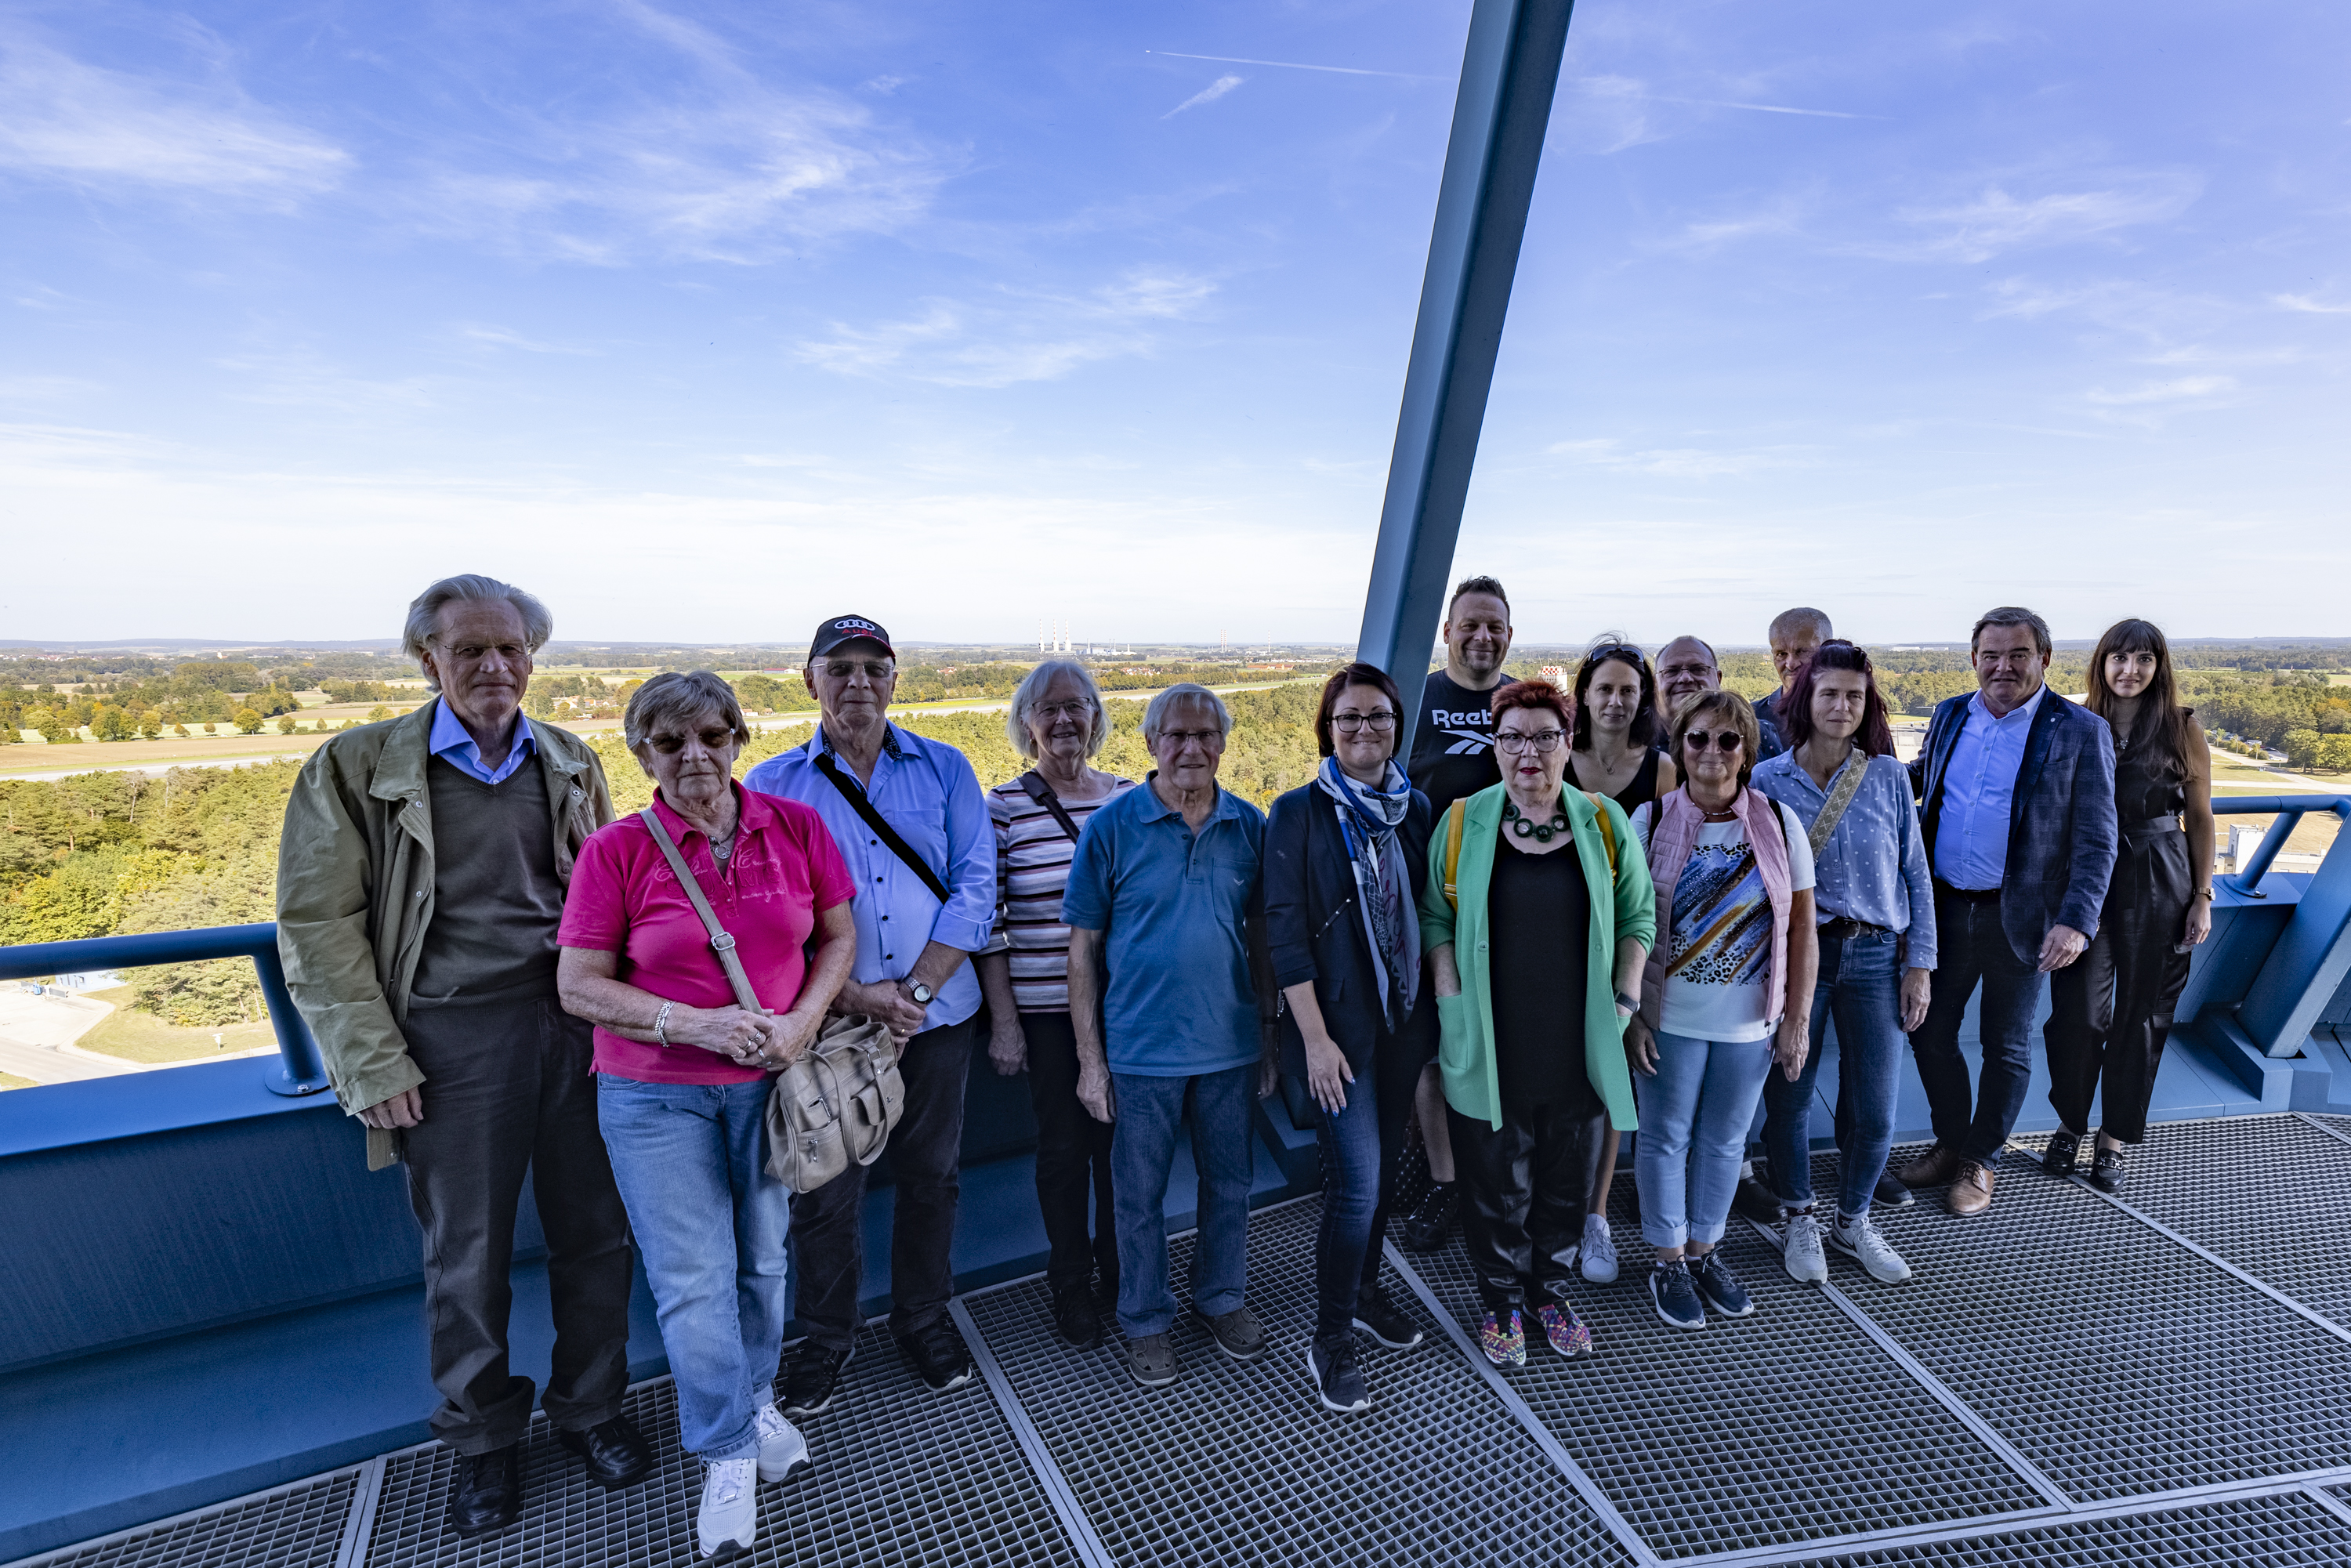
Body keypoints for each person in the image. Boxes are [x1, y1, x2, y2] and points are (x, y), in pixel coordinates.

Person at [276, 574, 645, 1538]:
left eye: (511, 648)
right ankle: (484, 1445)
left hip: (574, 1026)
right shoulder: (357, 768)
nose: (494, 667)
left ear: (533, 656)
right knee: (466, 1259)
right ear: (426, 658)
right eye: (470, 650)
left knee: (597, 1235)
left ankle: (592, 1410)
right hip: (448, 1041)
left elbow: (608, 902)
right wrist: (371, 1061)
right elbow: (318, 927)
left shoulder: (568, 759)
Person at [556, 673, 857, 1561]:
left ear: (737, 741)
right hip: (654, 1093)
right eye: (670, 742)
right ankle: (724, 1448)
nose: (695, 756)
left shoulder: (794, 827)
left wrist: (800, 1024)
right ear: (641, 753)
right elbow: (578, 985)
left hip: (769, 1089)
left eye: (713, 737)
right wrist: (699, 1025)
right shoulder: (618, 851)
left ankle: (756, 1402)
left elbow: (835, 937)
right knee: (694, 1282)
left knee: (764, 1262)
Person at [742, 615, 998, 1409]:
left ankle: (923, 1318)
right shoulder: (773, 787)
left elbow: (976, 888)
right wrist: (857, 998)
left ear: (895, 680)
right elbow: (765, 921)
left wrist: (914, 994)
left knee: (932, 1177)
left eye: (874, 668)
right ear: (809, 680)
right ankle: (826, 1338)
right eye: (840, 667)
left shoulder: (946, 769)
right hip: (830, 1025)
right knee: (825, 1187)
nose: (858, 682)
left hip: (936, 1018)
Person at [1419, 680, 1654, 1367]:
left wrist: (1625, 1000)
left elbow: (1639, 916)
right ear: (1495, 748)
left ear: (1566, 742)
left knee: (1566, 1180)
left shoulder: (1604, 821)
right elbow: (1435, 914)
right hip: (1493, 1040)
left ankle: (1547, 1289)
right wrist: (1449, 985)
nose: (1530, 752)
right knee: (1495, 1182)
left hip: (1580, 1041)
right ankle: (1499, 1298)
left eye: (1545, 736)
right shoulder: (1463, 821)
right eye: (1514, 737)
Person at [1063, 683, 1274, 1390]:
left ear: (1223, 743)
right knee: (1137, 1194)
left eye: (1204, 734)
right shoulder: (1112, 827)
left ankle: (1222, 1298)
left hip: (1231, 1046)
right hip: (1139, 1049)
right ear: (1150, 743)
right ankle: (1146, 1317)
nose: (1190, 748)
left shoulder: (1250, 825)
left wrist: (1270, 1040)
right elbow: (1082, 950)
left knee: (1230, 1183)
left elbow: (1266, 939)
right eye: (1175, 735)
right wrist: (1091, 1065)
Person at [1900, 607, 2117, 1217]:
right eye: (1990, 655)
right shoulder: (1949, 714)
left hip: (2021, 916)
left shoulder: (2079, 730)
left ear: (2044, 658)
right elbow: (1923, 781)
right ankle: (1951, 1141)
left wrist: (2076, 920)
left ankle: (1980, 1160)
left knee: (2008, 1044)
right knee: (1928, 1030)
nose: (2003, 667)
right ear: (1974, 660)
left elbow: (2098, 838)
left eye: (2017, 654)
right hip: (1942, 907)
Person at [1266, 664, 1436, 1413]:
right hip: (1335, 1034)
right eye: (1348, 719)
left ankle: (1365, 1293)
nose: (1364, 731)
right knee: (1358, 1185)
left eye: (1377, 717)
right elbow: (1284, 934)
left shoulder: (1417, 807)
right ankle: (1329, 1334)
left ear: (1397, 725)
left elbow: (1430, 912)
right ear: (1327, 731)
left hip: (1403, 1024)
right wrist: (1313, 1039)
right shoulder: (1298, 813)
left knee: (1384, 1177)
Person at [1628, 690, 1817, 1330]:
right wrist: (1632, 1016)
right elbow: (1627, 929)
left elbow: (1802, 931)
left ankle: (1706, 1251)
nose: (1712, 751)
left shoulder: (1779, 822)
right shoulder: (1648, 821)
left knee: (1726, 1141)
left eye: (1728, 740)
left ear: (1747, 751)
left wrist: (1796, 1017)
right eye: (1698, 738)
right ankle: (1667, 1259)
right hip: (1670, 1017)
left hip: (1749, 1020)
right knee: (1663, 1140)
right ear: (1679, 747)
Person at [1751, 643, 1935, 1285]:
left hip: (1879, 955)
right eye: (1829, 693)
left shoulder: (1885, 776)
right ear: (1806, 699)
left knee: (1877, 1105)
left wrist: (1922, 962)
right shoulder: (1768, 781)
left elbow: (1916, 872)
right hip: (1803, 955)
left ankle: (1853, 1218)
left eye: (1854, 696)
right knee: (1791, 1096)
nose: (1841, 705)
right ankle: (1800, 1214)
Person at [975, 660, 1139, 1351]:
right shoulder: (1003, 807)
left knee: (1124, 1150)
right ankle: (1070, 1280)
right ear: (1026, 725)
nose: (1065, 720)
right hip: (1045, 1015)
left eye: (1077, 707)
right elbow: (989, 922)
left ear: (1097, 717)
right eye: (1049, 710)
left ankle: (1119, 1266)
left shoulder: (1131, 797)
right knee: (1066, 1150)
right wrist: (1006, 1022)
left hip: (1129, 1010)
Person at [2041, 620, 2214, 1193]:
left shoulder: (2181, 726)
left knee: (2141, 1015)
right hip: (2089, 876)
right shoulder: (2076, 721)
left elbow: (2201, 815)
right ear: (2101, 663)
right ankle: (2069, 1122)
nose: (2129, 670)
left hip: (2159, 874)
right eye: (2119, 658)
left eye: (2143, 660)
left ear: (2158, 667)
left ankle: (2112, 1139)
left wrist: (2202, 896)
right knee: (2079, 1013)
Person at [1559, 639, 1680, 1284]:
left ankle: (1596, 1215)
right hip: (1552, 940)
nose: (1614, 700)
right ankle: (1545, 1211)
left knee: (1610, 1086)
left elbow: (1661, 873)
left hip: (1620, 945)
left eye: (1628, 691)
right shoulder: (1558, 756)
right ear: (1584, 694)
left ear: (1642, 699)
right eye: (1603, 688)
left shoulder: (1659, 771)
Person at [1400, 575, 1514, 1253]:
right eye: (1469, 624)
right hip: (1430, 909)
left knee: (1506, 1051)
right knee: (1436, 1057)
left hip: (1512, 910)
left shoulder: (1527, 704)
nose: (1482, 636)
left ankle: (1495, 1182)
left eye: (1494, 625)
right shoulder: (1414, 701)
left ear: (1509, 632)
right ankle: (1446, 1184)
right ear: (1448, 631)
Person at [1755, 609, 1831, 761]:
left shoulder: (1853, 716)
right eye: (1781, 654)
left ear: (1828, 651)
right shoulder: (1751, 718)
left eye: (1802, 651)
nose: (1790, 664)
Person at [1657, 636, 1723, 717]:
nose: (1685, 678)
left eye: (1698, 669)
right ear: (1654, 685)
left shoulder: (1742, 728)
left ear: (1718, 678)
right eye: (1671, 671)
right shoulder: (1637, 728)